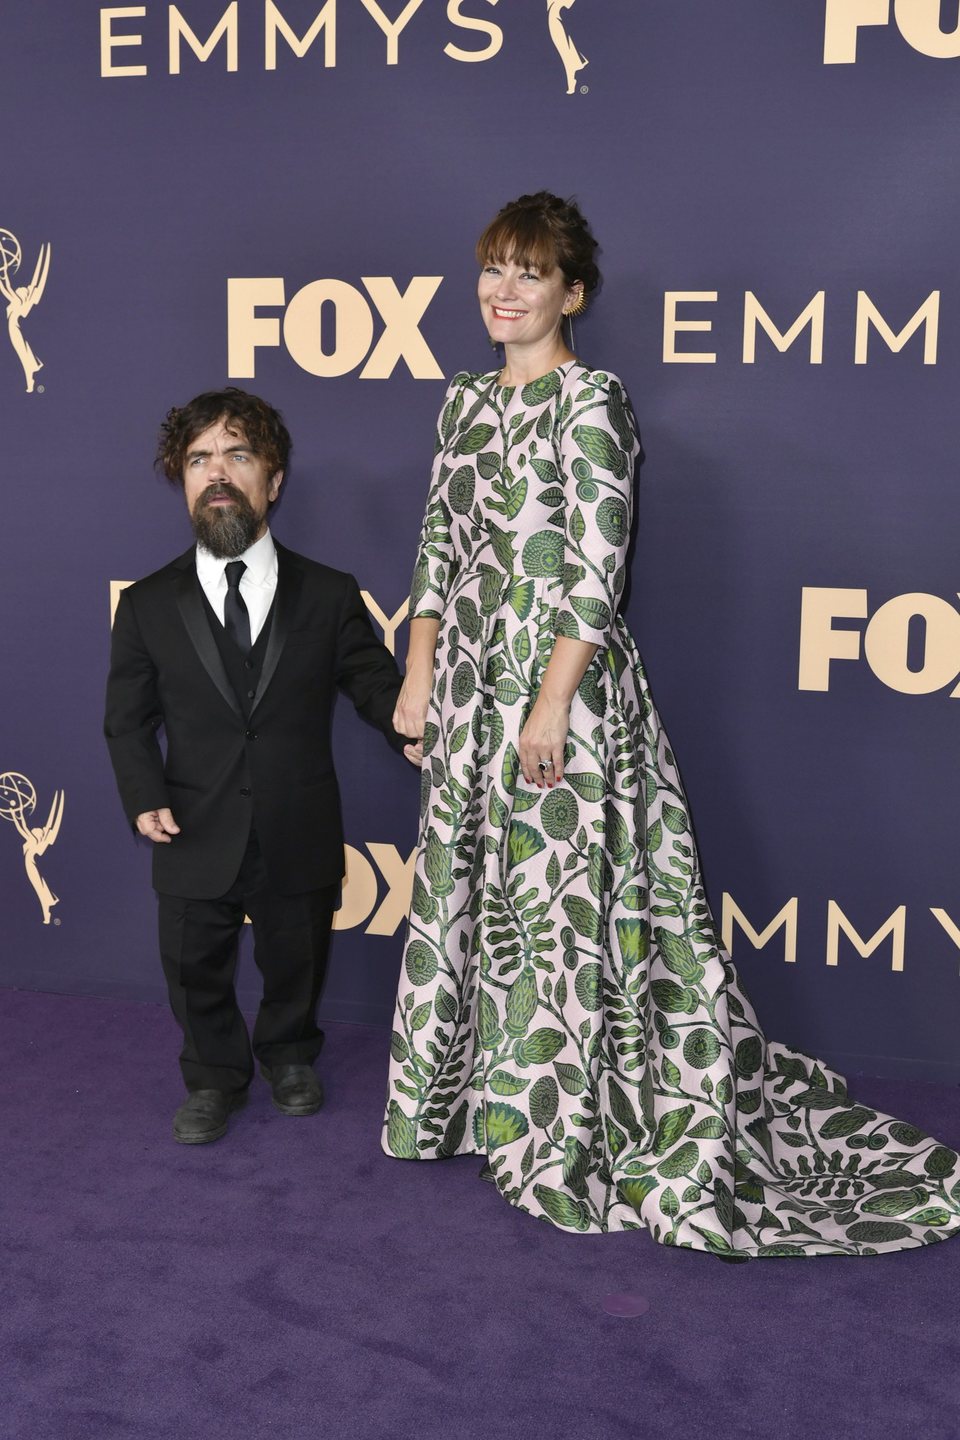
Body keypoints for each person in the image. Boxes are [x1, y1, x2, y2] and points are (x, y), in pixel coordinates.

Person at [382, 192, 960, 1257]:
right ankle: (471, 1103)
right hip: (468, 692)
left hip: (559, 694)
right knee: (481, 897)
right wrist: (417, 675)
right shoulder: (462, 402)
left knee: (559, 916)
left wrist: (552, 703)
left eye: (530, 274)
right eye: (493, 270)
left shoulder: (593, 402)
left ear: (573, 294)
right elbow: (435, 552)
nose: (504, 292)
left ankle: (556, 1132)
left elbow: (596, 568)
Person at [105, 388, 416, 1144]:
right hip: (193, 822)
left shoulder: (330, 592)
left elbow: (374, 684)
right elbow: (127, 718)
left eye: (237, 456)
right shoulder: (146, 604)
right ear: (182, 481)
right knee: (193, 966)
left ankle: (289, 1054)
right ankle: (213, 1075)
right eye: (199, 459)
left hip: (295, 816)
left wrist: (417, 727)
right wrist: (144, 793)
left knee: (297, 954)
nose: (217, 473)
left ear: (272, 479)